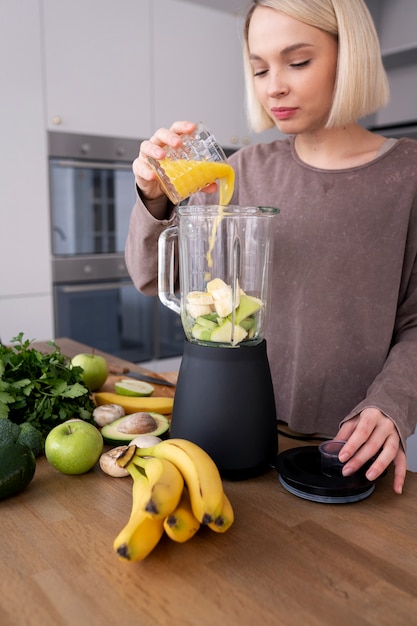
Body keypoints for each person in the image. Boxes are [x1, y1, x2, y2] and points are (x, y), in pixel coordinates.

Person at [125, 0, 417, 494]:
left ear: (352, 57)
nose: (273, 85)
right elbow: (156, 279)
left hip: (346, 448)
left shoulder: (407, 176)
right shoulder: (243, 170)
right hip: (234, 433)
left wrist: (391, 403)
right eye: (259, 68)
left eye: (297, 62)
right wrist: (156, 199)